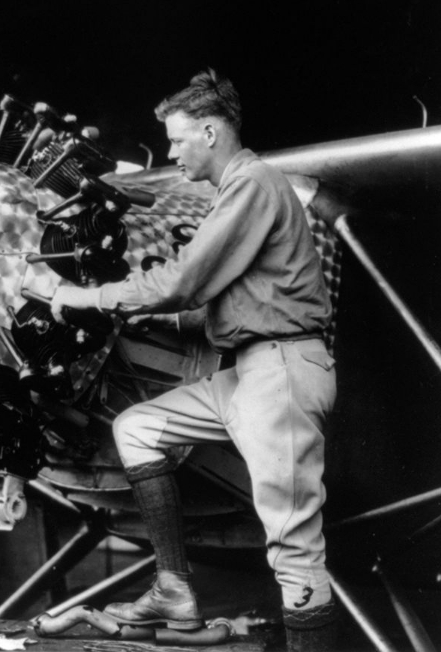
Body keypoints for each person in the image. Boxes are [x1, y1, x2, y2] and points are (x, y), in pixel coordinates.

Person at [50, 69, 338, 651]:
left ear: (210, 132)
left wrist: (85, 299)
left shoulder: (253, 183)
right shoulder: (240, 192)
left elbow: (183, 282)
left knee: (293, 547)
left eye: (179, 140)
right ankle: (173, 588)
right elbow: (209, 305)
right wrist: (132, 312)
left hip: (281, 371)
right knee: (139, 427)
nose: (173, 151)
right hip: (247, 372)